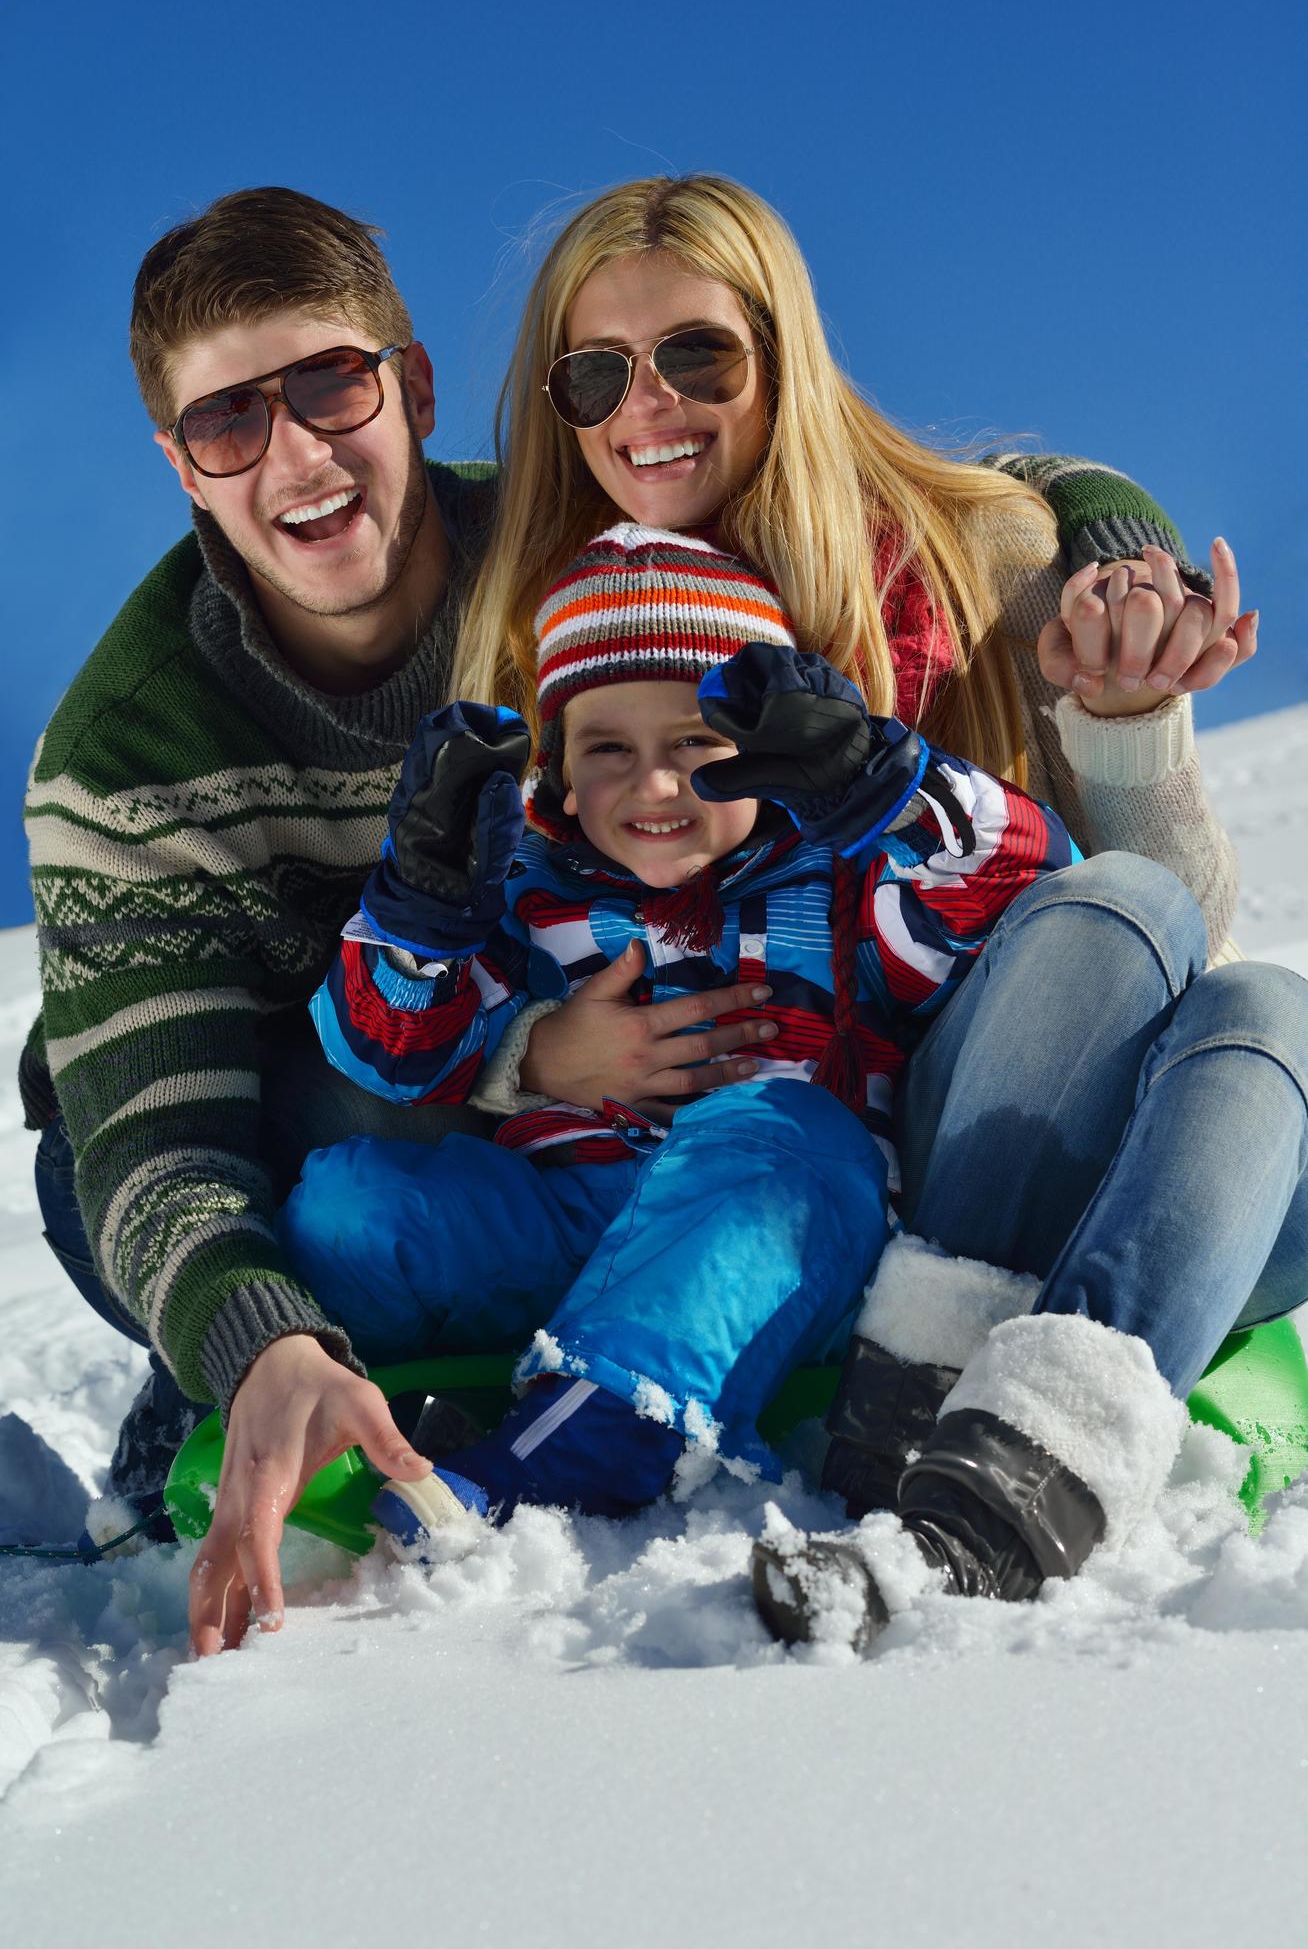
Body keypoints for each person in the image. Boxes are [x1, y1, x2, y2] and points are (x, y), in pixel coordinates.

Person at [16, 173, 1270, 1655]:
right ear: (182, 462)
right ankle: (284, 1359)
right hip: (427, 1124)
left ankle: (615, 1405)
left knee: (831, 1130)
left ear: (410, 388)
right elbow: (183, 1122)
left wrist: (1062, 599)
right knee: (274, 1176)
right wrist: (279, 1299)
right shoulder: (153, 751)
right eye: (232, 419)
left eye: (332, 386)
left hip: (790, 1145)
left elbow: (1025, 824)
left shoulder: (632, 603)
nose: (296, 451)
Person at [429, 173, 1307, 1645]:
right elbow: (472, 928)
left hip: (1030, 1083)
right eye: (596, 373)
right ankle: (960, 1427)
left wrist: (1129, 721)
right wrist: (529, 1057)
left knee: (1257, 1004)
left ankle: (982, 1427)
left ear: (785, 356)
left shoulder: (972, 569)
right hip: (832, 1175)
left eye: (700, 355)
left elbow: (1174, 931)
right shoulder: (555, 618)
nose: (649, 406)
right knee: (1156, 938)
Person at [276, 523, 1075, 1538]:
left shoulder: (839, 885)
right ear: (557, 769)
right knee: (346, 1202)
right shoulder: (526, 894)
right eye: (609, 750)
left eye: (698, 747)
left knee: (788, 1127)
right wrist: (424, 905)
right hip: (567, 1224)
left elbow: (1016, 887)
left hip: (776, 1239)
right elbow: (391, 1049)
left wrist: (885, 788)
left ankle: (594, 1439)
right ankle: (363, 1395)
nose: (656, 786)